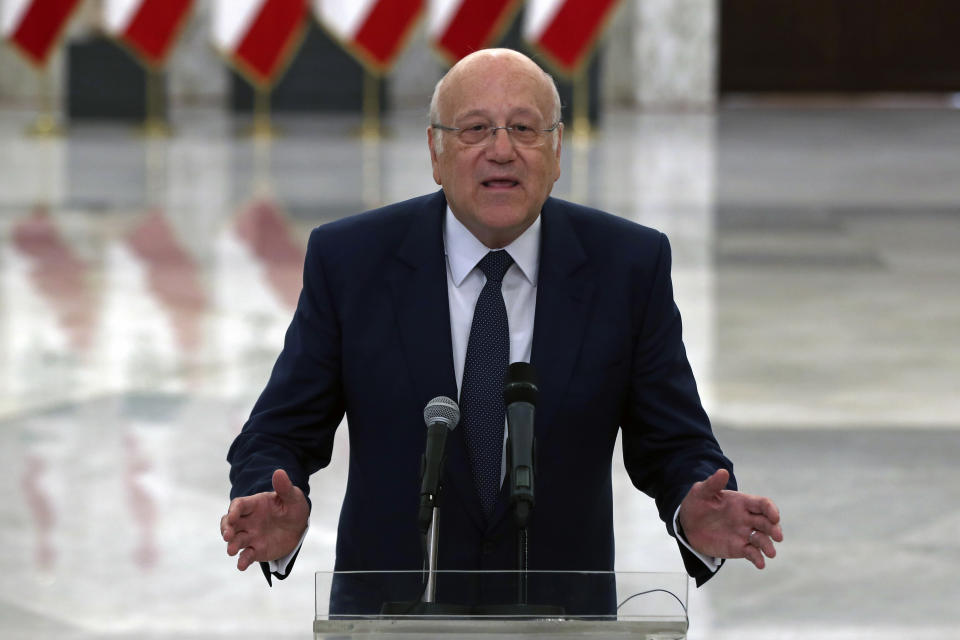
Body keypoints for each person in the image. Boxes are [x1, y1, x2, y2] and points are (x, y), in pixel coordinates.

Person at [221, 48, 782, 613]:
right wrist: (268, 494)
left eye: (523, 128)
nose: (502, 150)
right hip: (392, 619)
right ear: (435, 152)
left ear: (557, 149)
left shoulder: (628, 266)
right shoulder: (352, 261)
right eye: (475, 130)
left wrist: (693, 504)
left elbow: (674, 440)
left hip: (561, 619)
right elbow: (281, 430)